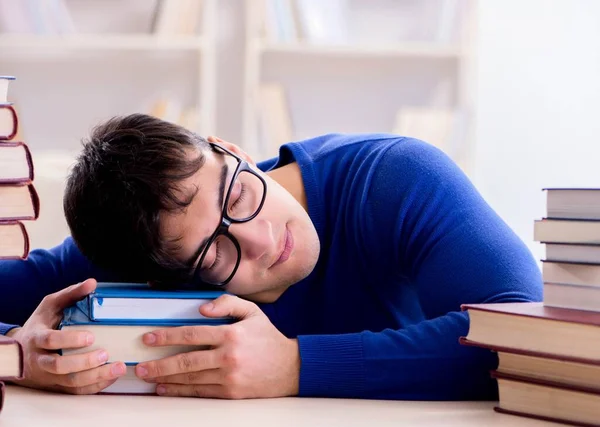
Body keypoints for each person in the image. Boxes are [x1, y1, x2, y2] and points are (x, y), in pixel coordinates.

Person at [0, 114, 542, 399]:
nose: (260, 240)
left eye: (236, 196)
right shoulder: (138, 246)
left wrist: (294, 365)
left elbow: (524, 336)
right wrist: (17, 357)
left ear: (230, 151)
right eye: (213, 254)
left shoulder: (396, 177)